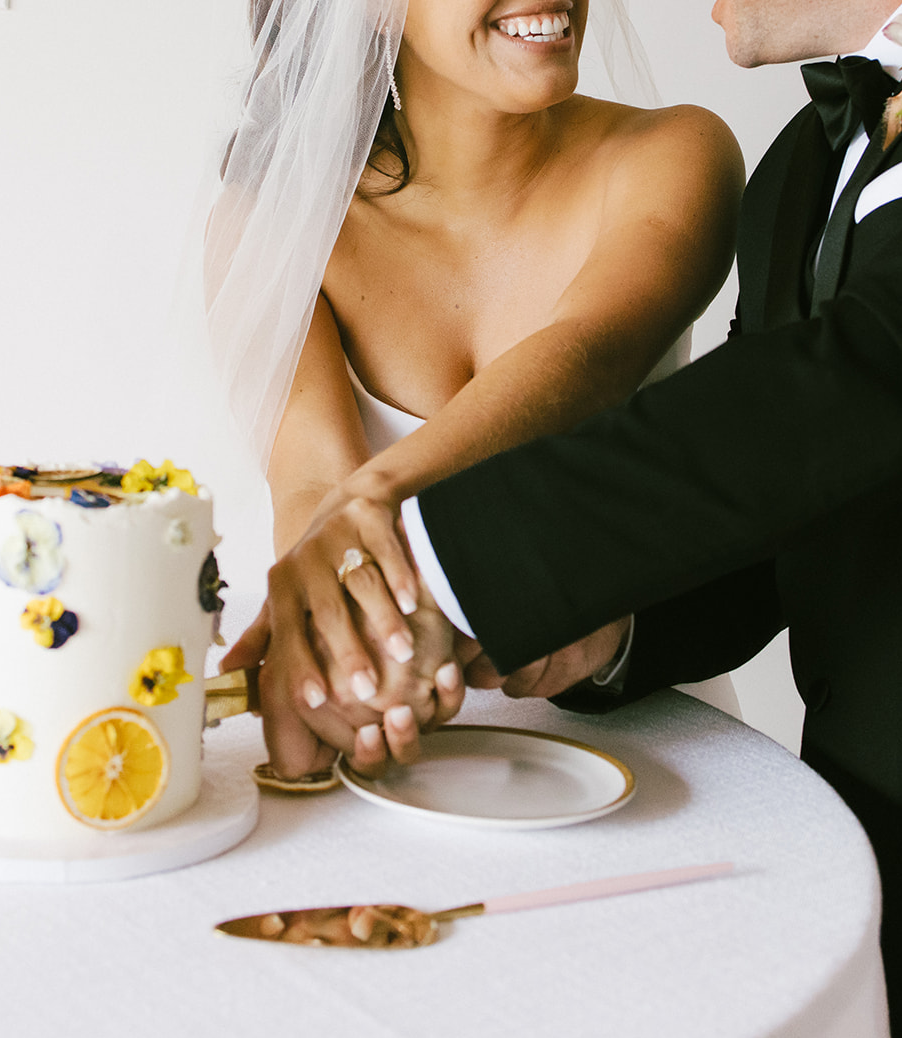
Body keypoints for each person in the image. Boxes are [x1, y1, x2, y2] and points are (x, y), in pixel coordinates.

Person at [234, 0, 902, 1038]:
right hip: (866, 837)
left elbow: (884, 365)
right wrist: (603, 633)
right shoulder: (802, 162)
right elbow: (781, 509)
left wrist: (453, 568)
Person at [206, 0, 744, 775]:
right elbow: (314, 490)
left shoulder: (678, 152)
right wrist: (349, 671)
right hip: (400, 737)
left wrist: (372, 498)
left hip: (656, 742)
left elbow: (587, 359)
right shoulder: (276, 224)